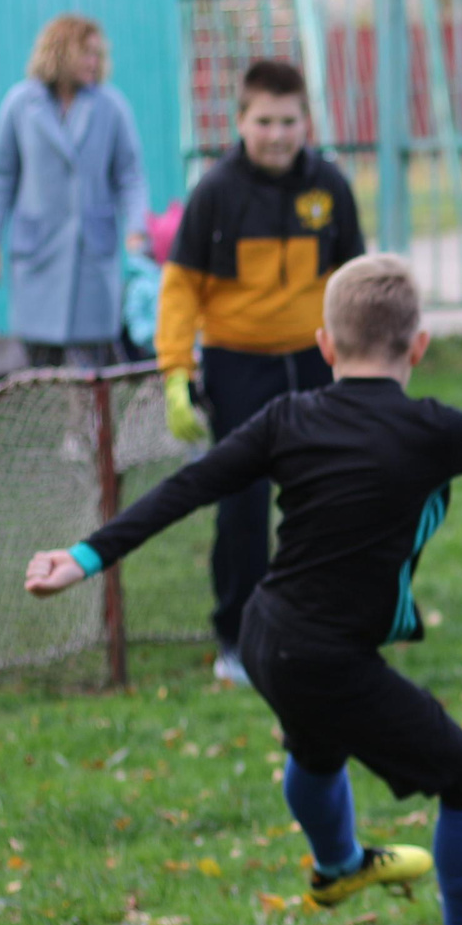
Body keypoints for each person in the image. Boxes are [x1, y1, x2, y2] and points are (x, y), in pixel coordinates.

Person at [22, 255, 462, 925]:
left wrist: (87, 555)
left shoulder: (288, 417)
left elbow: (189, 486)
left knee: (316, 748)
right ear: (419, 345)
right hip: (323, 653)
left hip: (263, 632)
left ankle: (339, 867)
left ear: (323, 345)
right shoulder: (433, 428)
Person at [158, 60, 366, 684]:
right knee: (244, 505)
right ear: (240, 121)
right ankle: (237, 638)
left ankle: (328, 622)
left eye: (289, 121)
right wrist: (176, 371)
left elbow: (354, 279)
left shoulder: (329, 186)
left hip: (316, 360)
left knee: (330, 495)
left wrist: (361, 358)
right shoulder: (215, 191)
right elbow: (179, 288)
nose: (277, 135)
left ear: (306, 121)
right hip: (237, 366)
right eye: (264, 122)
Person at [0, 14, 149, 368]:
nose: (94, 62)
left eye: (98, 54)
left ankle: (90, 424)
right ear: (59, 52)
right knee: (40, 359)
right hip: (39, 251)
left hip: (92, 250)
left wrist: (136, 227)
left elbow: (129, 175)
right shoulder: (20, 105)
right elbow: (2, 177)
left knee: (94, 362)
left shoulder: (111, 106)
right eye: (85, 53)